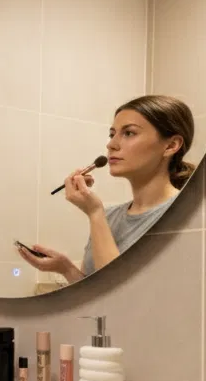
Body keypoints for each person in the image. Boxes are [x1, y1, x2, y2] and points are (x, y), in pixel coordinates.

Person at [17, 94, 195, 283]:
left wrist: (95, 213)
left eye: (129, 133)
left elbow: (121, 289)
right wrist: (66, 268)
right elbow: (97, 291)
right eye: (112, 134)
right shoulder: (109, 217)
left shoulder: (186, 213)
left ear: (171, 145)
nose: (111, 145)